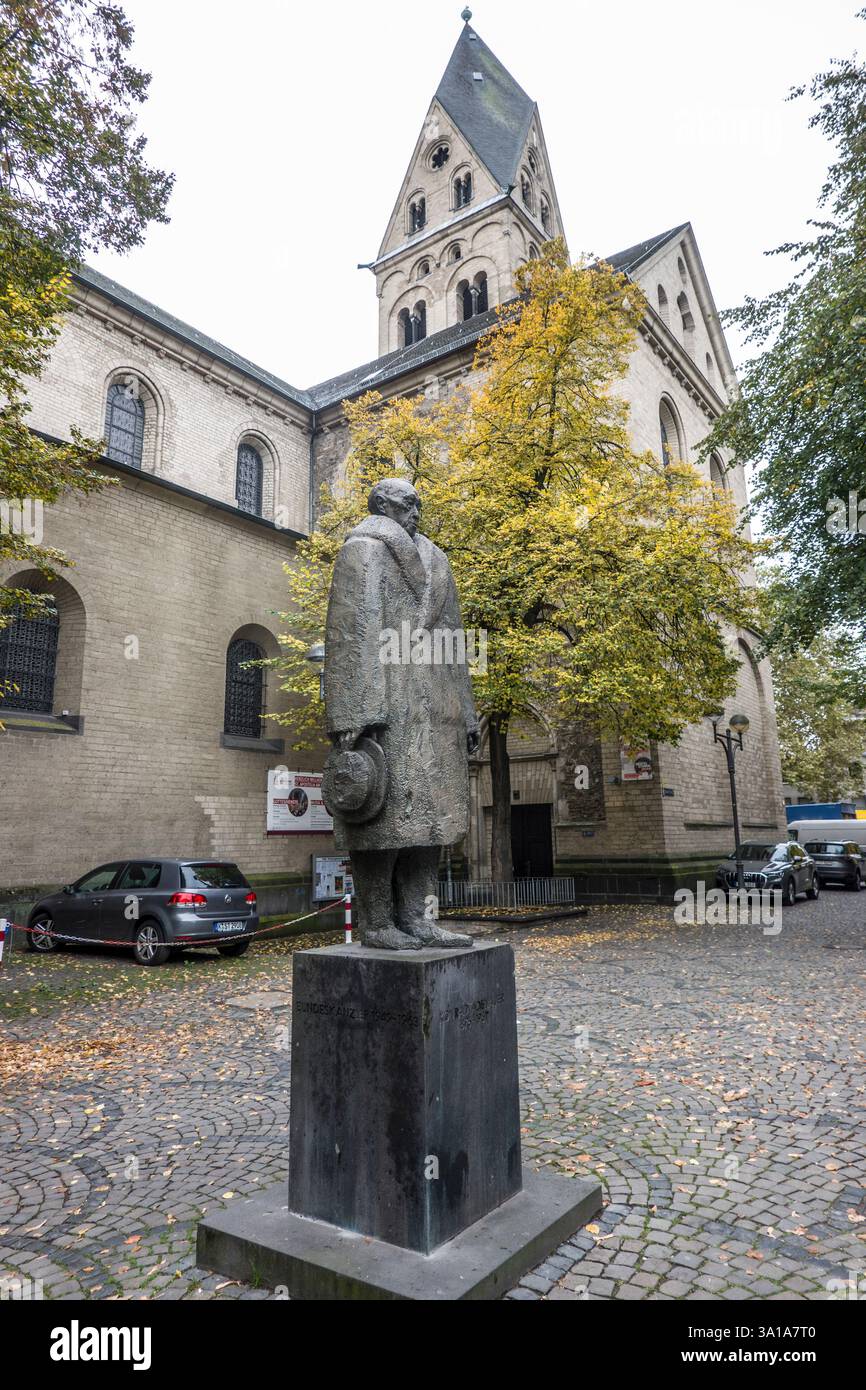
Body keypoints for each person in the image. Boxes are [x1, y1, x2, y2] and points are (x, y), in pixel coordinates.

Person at [324, 478, 479, 949]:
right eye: (408, 502)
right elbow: (351, 632)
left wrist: (467, 713)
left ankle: (419, 918)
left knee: (430, 819)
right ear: (382, 505)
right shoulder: (363, 549)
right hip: (387, 707)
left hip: (436, 708)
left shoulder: (438, 559)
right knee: (383, 820)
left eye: (418, 502)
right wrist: (355, 712)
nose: (417, 509)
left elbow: (454, 642)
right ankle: (377, 924)